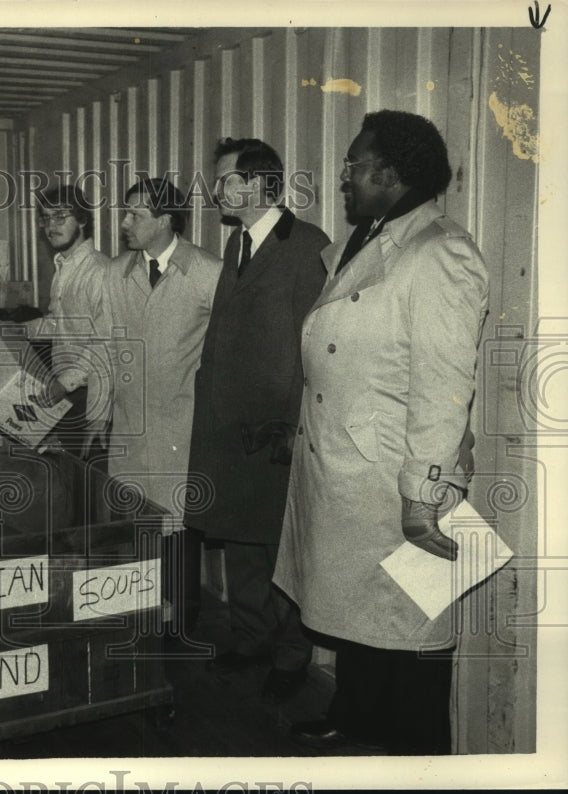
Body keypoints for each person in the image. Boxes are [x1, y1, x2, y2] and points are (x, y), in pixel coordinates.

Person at [273, 111, 489, 753]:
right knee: (358, 619)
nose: (343, 177)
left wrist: (423, 498)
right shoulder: (371, 236)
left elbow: (445, 392)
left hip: (398, 479)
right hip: (346, 470)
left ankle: (417, 759)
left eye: (354, 165)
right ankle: (356, 717)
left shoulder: (440, 253)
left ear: (391, 174)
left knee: (410, 630)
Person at [186, 138, 328, 699]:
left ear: (257, 184)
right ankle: (251, 640)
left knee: (280, 547)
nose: (216, 190)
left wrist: (290, 428)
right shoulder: (236, 244)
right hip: (227, 428)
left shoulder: (308, 248)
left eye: (224, 180)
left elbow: (314, 349)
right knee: (240, 541)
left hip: (274, 434)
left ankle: (292, 656)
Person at [99, 177, 223, 635]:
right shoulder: (117, 272)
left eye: (136, 214)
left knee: (179, 535)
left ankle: (183, 632)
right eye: (126, 212)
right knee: (136, 532)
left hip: (182, 427)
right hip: (131, 425)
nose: (126, 222)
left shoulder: (208, 272)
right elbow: (108, 348)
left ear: (166, 220)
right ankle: (143, 628)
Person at [27, 185, 110, 454]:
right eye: (46, 218)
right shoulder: (63, 267)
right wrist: (14, 330)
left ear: (83, 220)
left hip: (91, 392)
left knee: (90, 478)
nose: (51, 225)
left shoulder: (99, 272)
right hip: (67, 389)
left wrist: (65, 383)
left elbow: (104, 341)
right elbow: (58, 322)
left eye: (60, 216)